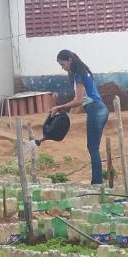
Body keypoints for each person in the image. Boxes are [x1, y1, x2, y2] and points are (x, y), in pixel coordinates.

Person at [48, 49, 109, 185]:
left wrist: (59, 107)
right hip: (101, 109)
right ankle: (98, 181)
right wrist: (67, 113)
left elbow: (79, 100)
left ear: (70, 60)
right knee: (94, 147)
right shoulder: (84, 72)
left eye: (63, 64)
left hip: (95, 110)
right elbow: (82, 101)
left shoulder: (78, 75)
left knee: (92, 147)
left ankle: (97, 183)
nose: (63, 68)